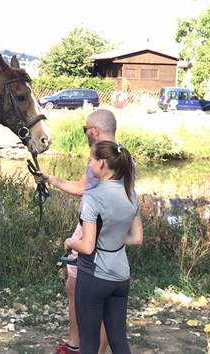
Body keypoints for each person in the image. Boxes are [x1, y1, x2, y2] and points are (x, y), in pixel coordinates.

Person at [34, 109, 122, 354]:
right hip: (93, 228)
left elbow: (95, 195)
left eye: (85, 129)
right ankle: (76, 344)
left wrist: (75, 240)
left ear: (95, 130)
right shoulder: (113, 157)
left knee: (94, 295)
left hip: (92, 229)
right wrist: (50, 179)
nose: (84, 133)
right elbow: (83, 187)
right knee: (75, 287)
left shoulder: (104, 160)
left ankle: (87, 349)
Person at [65, 140, 143, 354]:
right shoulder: (131, 194)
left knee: (88, 343)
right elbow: (137, 238)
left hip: (94, 278)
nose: (89, 165)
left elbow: (88, 247)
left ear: (101, 163)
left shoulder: (93, 197)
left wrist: (70, 242)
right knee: (119, 340)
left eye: (90, 160)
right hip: (121, 278)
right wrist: (113, 239)